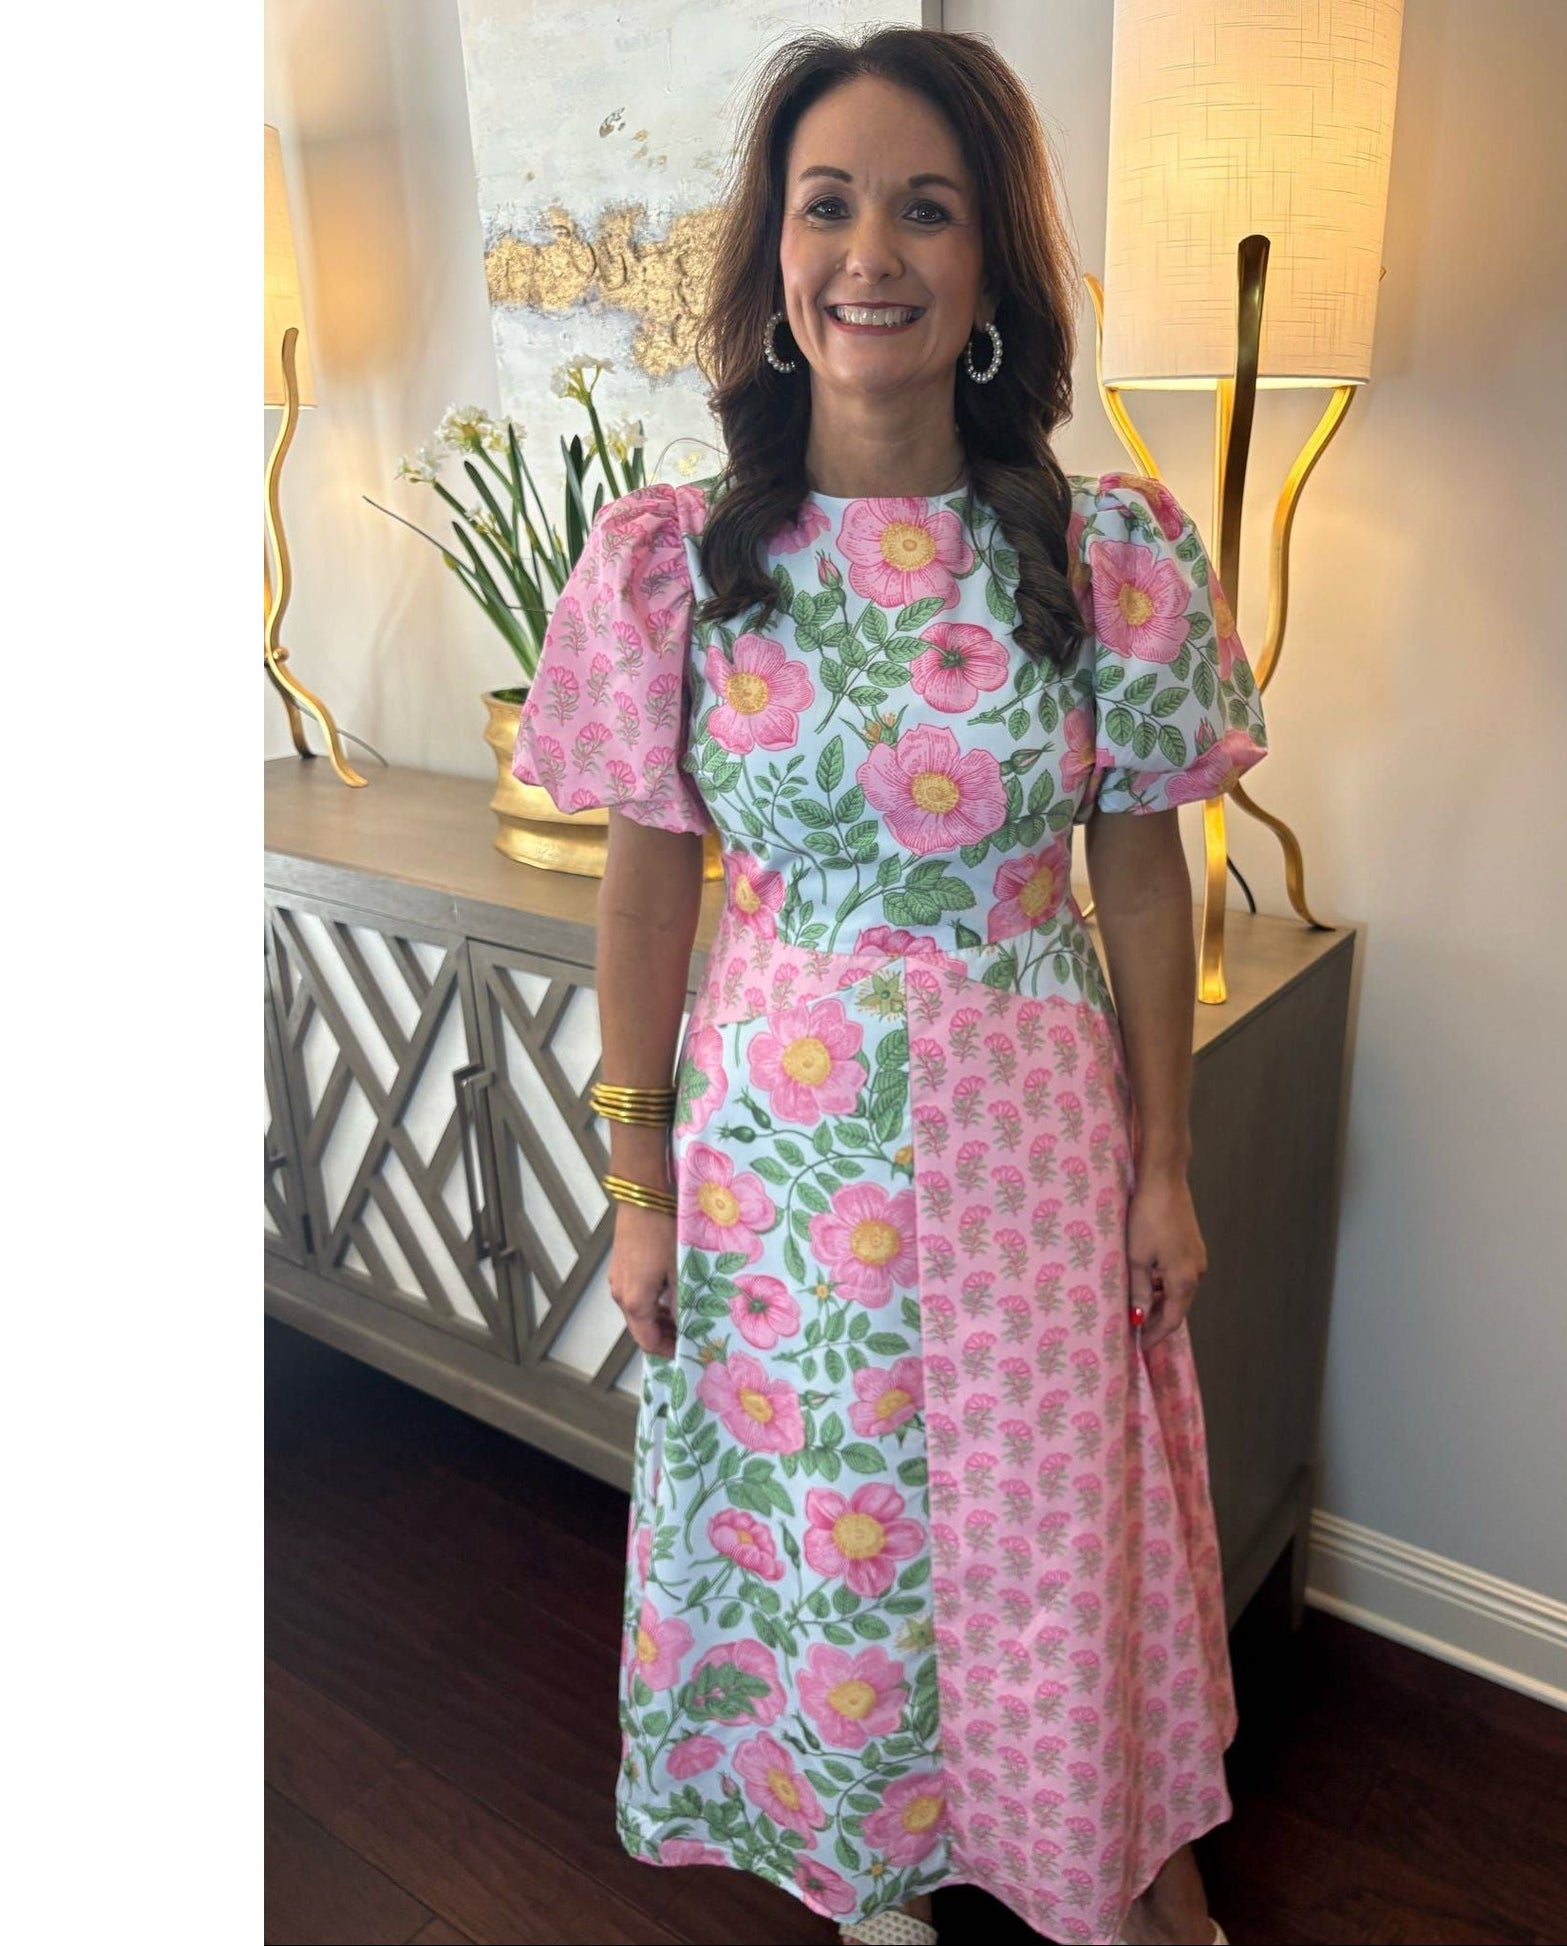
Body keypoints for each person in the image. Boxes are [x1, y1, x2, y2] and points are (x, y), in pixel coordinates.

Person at [511, 26, 1267, 1946]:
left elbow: (1137, 863)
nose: (872, 250)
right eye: (827, 202)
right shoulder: (677, 565)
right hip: (781, 1155)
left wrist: (1163, 1161)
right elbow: (646, 885)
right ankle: (875, 1862)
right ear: (774, 253)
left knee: (1044, 1530)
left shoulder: (1097, 553)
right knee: (829, 1539)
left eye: (927, 207)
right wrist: (638, 1184)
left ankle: (1112, 1855)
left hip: (1029, 1127)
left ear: (992, 266)